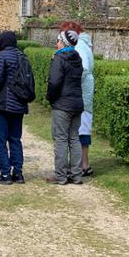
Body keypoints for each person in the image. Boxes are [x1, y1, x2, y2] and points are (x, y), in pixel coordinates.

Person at [0, 31, 28, 184]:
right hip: (19, 104)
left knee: (0, 140)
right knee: (15, 139)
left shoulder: (1, 56)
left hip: (2, 104)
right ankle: (18, 173)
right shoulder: (23, 57)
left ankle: (5, 174)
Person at [45, 29, 84, 185]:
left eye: (57, 40)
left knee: (60, 139)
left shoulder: (59, 58)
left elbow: (54, 82)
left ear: (62, 42)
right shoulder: (78, 58)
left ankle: (60, 175)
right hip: (76, 103)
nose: (56, 43)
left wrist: (50, 97)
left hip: (62, 104)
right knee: (74, 138)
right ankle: (76, 175)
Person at [61, 20, 95, 177]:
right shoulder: (84, 44)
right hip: (83, 92)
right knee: (82, 129)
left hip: (81, 93)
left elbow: (84, 68)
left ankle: (83, 165)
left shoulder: (80, 46)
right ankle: (82, 164)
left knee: (81, 130)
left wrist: (70, 79)